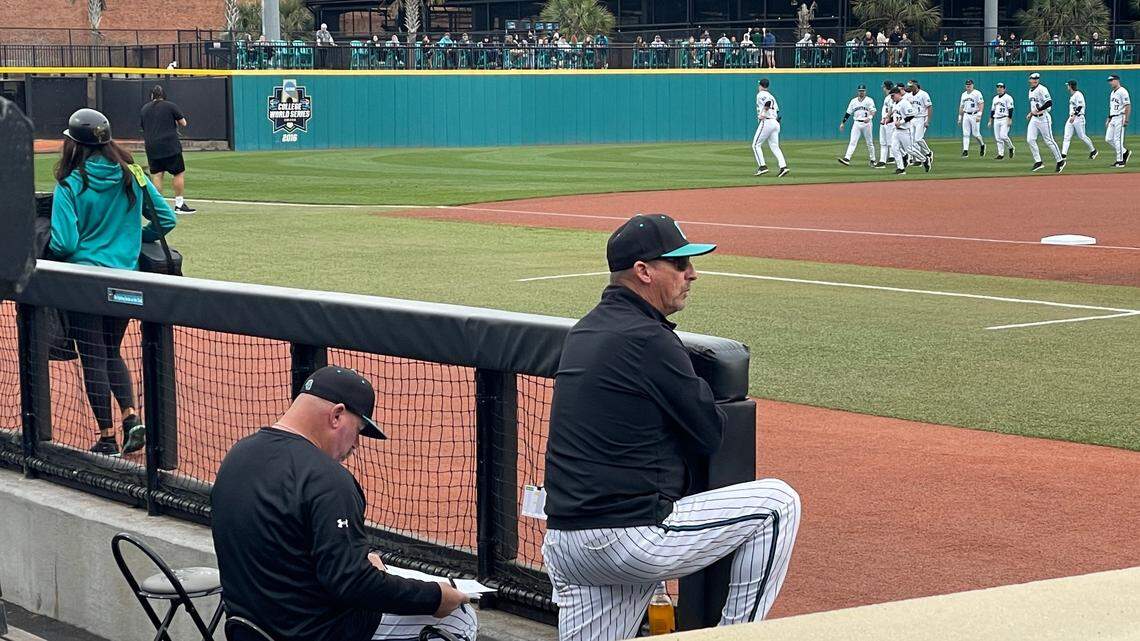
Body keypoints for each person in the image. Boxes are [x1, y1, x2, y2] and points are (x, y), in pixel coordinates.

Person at [541, 214, 801, 641]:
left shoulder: (584, 330)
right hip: (628, 538)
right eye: (679, 264)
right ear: (643, 271)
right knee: (777, 504)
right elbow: (709, 433)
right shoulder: (649, 338)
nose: (692, 274)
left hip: (566, 545)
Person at [212, 366, 473, 641]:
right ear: (337, 415)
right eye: (358, 429)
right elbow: (352, 584)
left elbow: (282, 549)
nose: (356, 445)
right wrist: (435, 596)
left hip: (249, 629)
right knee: (460, 618)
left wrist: (358, 563)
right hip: (317, 632)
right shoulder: (326, 479)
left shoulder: (238, 455)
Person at [50, 108, 177, 455]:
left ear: (75, 143)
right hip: (125, 280)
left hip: (85, 282)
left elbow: (64, 243)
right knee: (111, 351)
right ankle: (131, 419)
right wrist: (134, 238)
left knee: (92, 356)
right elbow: (166, 219)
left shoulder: (70, 181)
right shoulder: (131, 172)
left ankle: (106, 438)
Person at [140, 85, 195, 214]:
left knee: (157, 174)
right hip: (170, 145)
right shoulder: (170, 106)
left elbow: (143, 126)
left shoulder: (144, 109)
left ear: (151, 96)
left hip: (152, 146)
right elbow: (183, 123)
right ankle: (179, 204)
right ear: (164, 96)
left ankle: (158, 206)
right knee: (178, 172)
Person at [1026, 72, 1065, 173]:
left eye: (1037, 78)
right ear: (1029, 80)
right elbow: (1035, 105)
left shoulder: (1042, 89)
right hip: (1034, 118)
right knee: (1030, 139)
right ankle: (1038, 162)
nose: (1035, 80)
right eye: (1033, 78)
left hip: (1044, 118)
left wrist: (1040, 109)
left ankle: (1060, 161)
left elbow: (1049, 102)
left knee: (1048, 140)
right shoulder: (1030, 90)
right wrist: (1031, 113)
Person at [752, 78, 789, 177]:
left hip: (767, 122)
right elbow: (776, 110)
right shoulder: (771, 96)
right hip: (775, 122)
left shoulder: (761, 94)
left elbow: (767, 103)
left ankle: (762, 167)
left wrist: (763, 113)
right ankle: (783, 167)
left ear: (760, 85)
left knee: (755, 145)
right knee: (775, 146)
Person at [889, 85, 929, 174]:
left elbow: (911, 115)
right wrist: (889, 120)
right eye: (891, 96)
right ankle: (901, 168)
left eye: (893, 95)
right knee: (894, 148)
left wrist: (901, 122)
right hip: (896, 131)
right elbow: (896, 115)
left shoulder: (905, 103)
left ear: (898, 94)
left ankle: (924, 159)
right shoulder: (895, 104)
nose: (892, 97)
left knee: (909, 150)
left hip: (905, 131)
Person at [838, 84, 876, 167]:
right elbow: (848, 113)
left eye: (862, 91)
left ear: (865, 91)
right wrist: (843, 122)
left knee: (869, 143)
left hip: (867, 123)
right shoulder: (853, 101)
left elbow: (873, 111)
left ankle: (873, 160)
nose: (861, 92)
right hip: (856, 123)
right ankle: (847, 158)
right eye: (860, 91)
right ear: (857, 91)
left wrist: (869, 117)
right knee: (852, 141)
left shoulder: (869, 100)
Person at [1062, 79, 1098, 160]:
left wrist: (1074, 116)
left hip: (1078, 117)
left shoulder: (1078, 94)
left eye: (1068, 85)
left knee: (1082, 136)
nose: (1067, 86)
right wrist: (1072, 116)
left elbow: (1080, 106)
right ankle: (1063, 155)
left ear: (1071, 86)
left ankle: (1093, 150)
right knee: (1067, 137)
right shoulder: (1073, 95)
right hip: (1071, 117)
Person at [1106, 74, 1131, 167]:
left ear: (1117, 80)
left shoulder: (1123, 91)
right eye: (1110, 81)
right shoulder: (1112, 93)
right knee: (1108, 139)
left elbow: (1128, 105)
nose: (1110, 82)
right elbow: (1111, 107)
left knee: (1117, 140)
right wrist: (1109, 118)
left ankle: (1120, 161)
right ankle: (1125, 152)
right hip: (1113, 117)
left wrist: (1126, 120)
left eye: (1112, 80)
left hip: (1120, 117)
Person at [906, 79, 934, 162]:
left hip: (921, 118)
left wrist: (927, 121)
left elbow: (929, 107)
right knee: (912, 140)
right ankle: (918, 159)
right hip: (912, 119)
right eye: (909, 86)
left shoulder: (923, 94)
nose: (910, 87)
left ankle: (928, 152)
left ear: (916, 85)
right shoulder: (909, 95)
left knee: (918, 139)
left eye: (911, 86)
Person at [958, 79, 986, 157]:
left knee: (975, 134)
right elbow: (961, 106)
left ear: (973, 85)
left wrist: (979, 115)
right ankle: (965, 151)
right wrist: (960, 117)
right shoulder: (963, 94)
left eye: (970, 84)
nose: (968, 86)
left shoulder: (977, 93)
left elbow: (981, 104)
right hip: (966, 114)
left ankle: (982, 145)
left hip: (975, 114)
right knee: (965, 133)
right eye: (967, 84)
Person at [988, 82, 1016, 160]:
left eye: (1001, 87)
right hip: (996, 119)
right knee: (998, 138)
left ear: (1004, 89)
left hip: (1005, 118)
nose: (999, 88)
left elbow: (1010, 109)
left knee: (1003, 136)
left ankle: (1011, 147)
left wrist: (1010, 119)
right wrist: (990, 120)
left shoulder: (1008, 97)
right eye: (998, 87)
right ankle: (1001, 154)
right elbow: (992, 110)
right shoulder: (995, 98)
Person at [876, 80, 896, 168]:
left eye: (884, 87)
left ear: (886, 87)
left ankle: (892, 158)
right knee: (883, 142)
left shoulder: (891, 97)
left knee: (890, 142)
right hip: (884, 122)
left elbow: (892, 109)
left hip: (889, 122)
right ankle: (882, 161)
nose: (883, 88)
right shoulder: (888, 97)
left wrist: (887, 118)